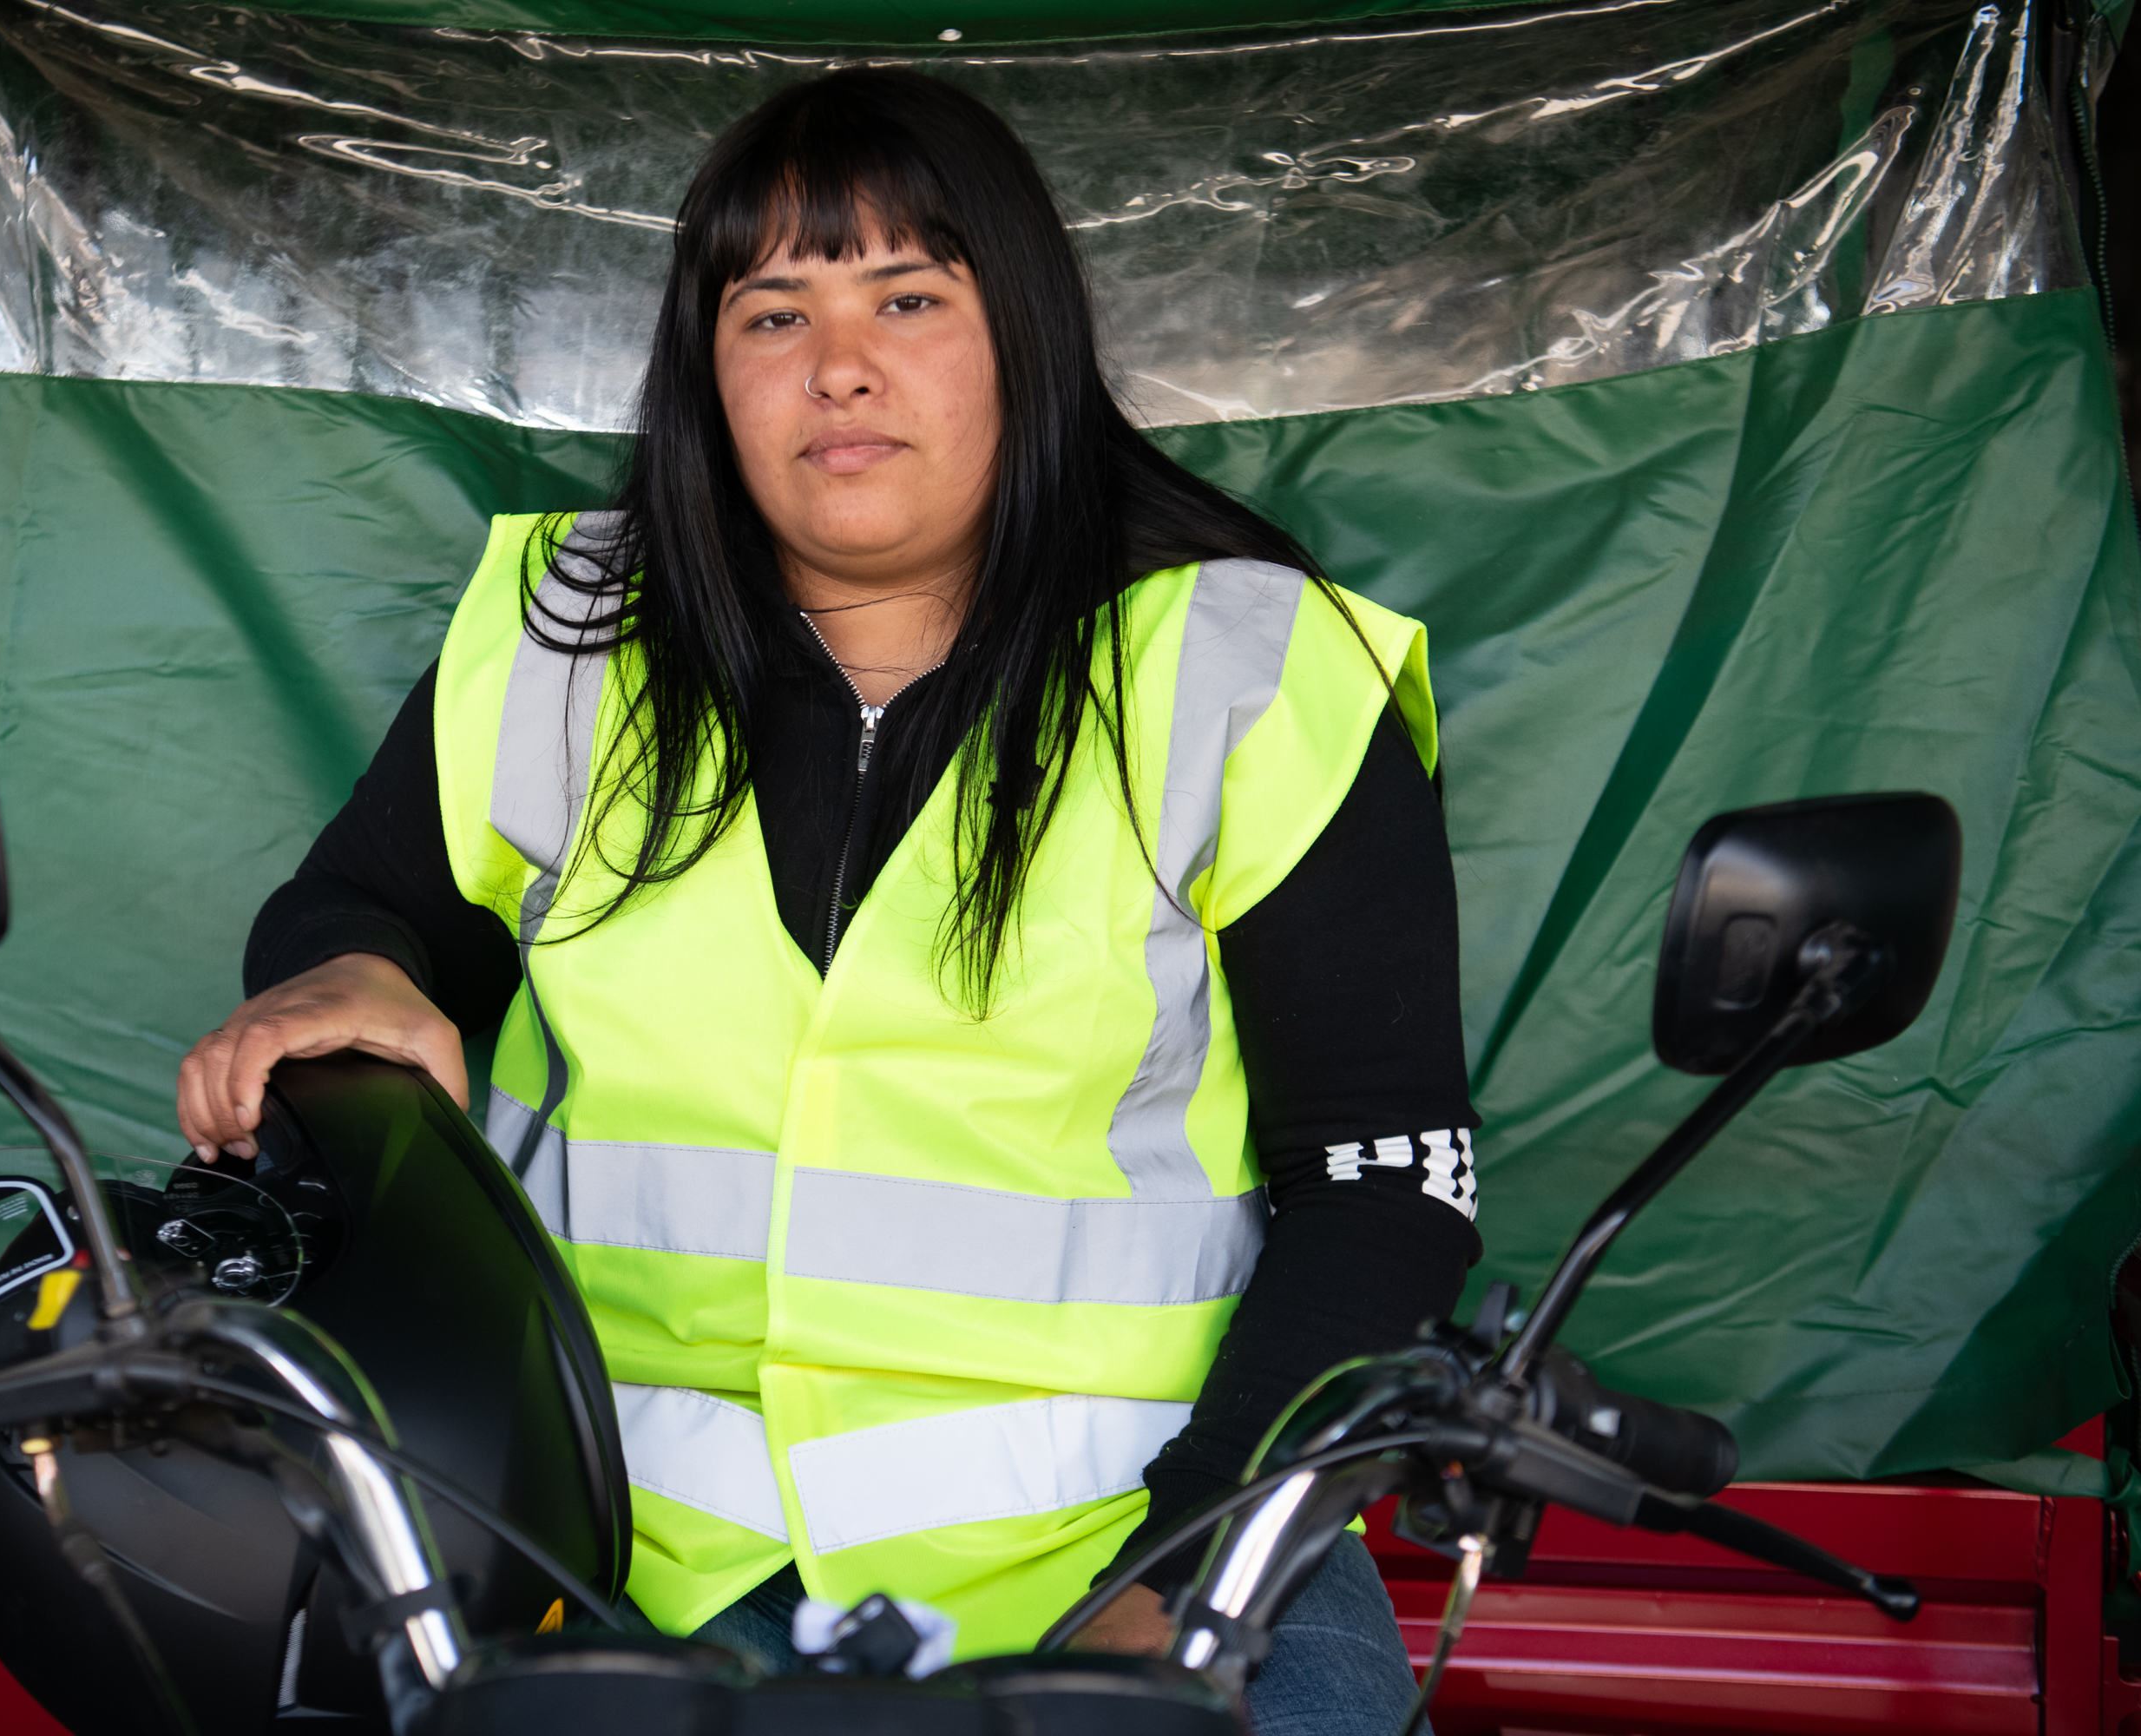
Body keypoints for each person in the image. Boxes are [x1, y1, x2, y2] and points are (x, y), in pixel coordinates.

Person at [177, 67, 1481, 1735]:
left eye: (909, 298)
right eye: (773, 313)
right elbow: (364, 909)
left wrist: (1187, 1582)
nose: (839, 365)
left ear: (1025, 338)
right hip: (613, 1548)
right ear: (708, 371)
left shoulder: (1249, 668)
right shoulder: (570, 636)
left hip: (1135, 1538)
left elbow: (1385, 1192)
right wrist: (344, 971)